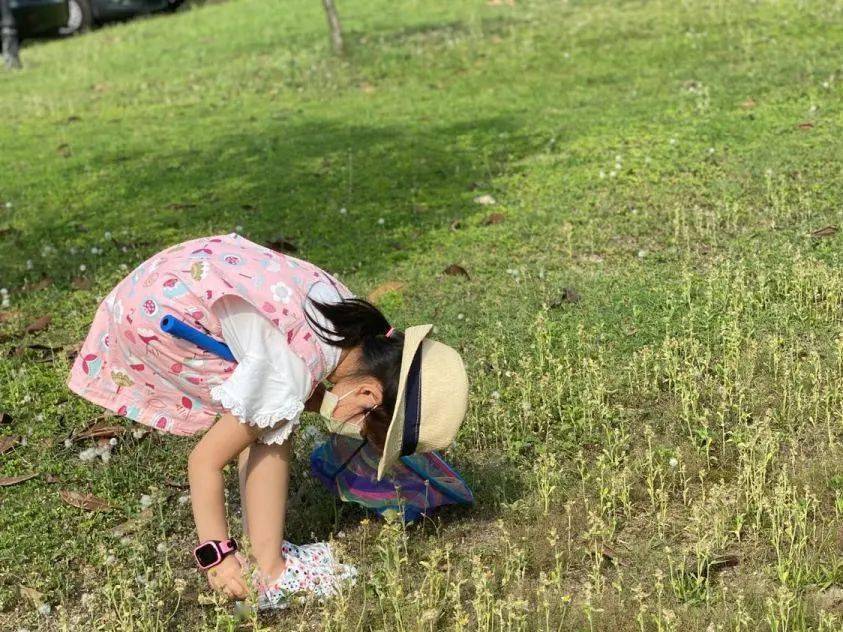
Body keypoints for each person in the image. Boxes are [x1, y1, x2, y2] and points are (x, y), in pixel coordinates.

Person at [66, 232, 469, 609]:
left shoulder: (344, 315)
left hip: (173, 277)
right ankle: (272, 572)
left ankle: (265, 552)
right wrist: (216, 556)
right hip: (158, 312)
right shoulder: (288, 373)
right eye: (364, 426)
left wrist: (295, 399)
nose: (352, 431)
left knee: (272, 413)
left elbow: (281, 354)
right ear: (368, 396)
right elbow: (204, 461)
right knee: (273, 418)